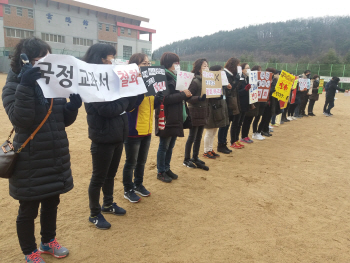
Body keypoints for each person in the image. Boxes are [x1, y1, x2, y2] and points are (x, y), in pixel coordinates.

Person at [2, 37, 81, 262]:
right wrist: (26, 86)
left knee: (51, 203)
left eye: (46, 58)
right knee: (28, 210)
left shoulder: (53, 83)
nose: (43, 63)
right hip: (30, 159)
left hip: (55, 156)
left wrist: (72, 108)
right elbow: (22, 121)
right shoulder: (13, 86)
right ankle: (30, 252)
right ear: (24, 60)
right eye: (38, 59)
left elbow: (60, 120)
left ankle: (48, 242)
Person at [84, 44, 137, 229]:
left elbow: (125, 106)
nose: (112, 62)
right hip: (102, 136)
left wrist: (133, 92)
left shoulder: (111, 78)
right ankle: (94, 213)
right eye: (110, 58)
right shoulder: (91, 81)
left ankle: (107, 204)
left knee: (111, 174)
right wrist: (126, 98)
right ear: (100, 59)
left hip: (117, 134)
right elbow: (107, 109)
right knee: (98, 177)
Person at [122, 53, 163, 203]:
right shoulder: (130, 84)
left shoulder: (150, 83)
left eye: (148, 63)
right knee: (131, 162)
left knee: (142, 161)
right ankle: (128, 189)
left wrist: (159, 97)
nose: (147, 66)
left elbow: (153, 105)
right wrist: (141, 88)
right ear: (135, 66)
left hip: (147, 128)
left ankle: (138, 184)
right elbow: (131, 107)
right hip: (133, 129)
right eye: (144, 64)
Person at [155, 52, 192, 182]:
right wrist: (183, 95)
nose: (178, 65)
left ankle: (166, 168)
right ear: (169, 63)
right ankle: (160, 171)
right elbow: (164, 99)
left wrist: (186, 93)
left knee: (170, 146)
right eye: (176, 62)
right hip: (167, 116)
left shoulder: (176, 77)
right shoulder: (162, 76)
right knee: (164, 145)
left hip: (176, 116)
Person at [183, 59, 210, 168]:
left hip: (204, 111)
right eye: (204, 66)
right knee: (192, 136)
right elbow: (188, 98)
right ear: (199, 69)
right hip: (195, 112)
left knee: (199, 137)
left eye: (207, 66)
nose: (206, 68)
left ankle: (195, 157)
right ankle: (186, 159)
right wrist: (199, 98)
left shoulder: (208, 81)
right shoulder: (195, 82)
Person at [205, 65, 229, 156]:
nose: (222, 73)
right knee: (209, 131)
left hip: (219, 108)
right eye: (220, 71)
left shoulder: (222, 83)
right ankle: (206, 151)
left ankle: (210, 149)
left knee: (214, 130)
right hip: (211, 109)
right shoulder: (209, 81)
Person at [217, 57, 241, 153]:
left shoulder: (231, 75)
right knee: (224, 125)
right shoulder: (225, 75)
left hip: (231, 104)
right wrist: (236, 81)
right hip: (226, 103)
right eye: (238, 65)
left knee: (227, 124)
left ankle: (223, 144)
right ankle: (221, 144)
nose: (239, 67)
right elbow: (229, 89)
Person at [230, 63, 251, 147]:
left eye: (249, 68)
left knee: (240, 123)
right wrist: (245, 90)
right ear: (242, 70)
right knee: (236, 123)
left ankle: (237, 139)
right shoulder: (239, 79)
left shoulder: (247, 79)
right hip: (239, 104)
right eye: (247, 68)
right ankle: (233, 141)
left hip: (245, 104)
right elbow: (236, 92)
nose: (248, 70)